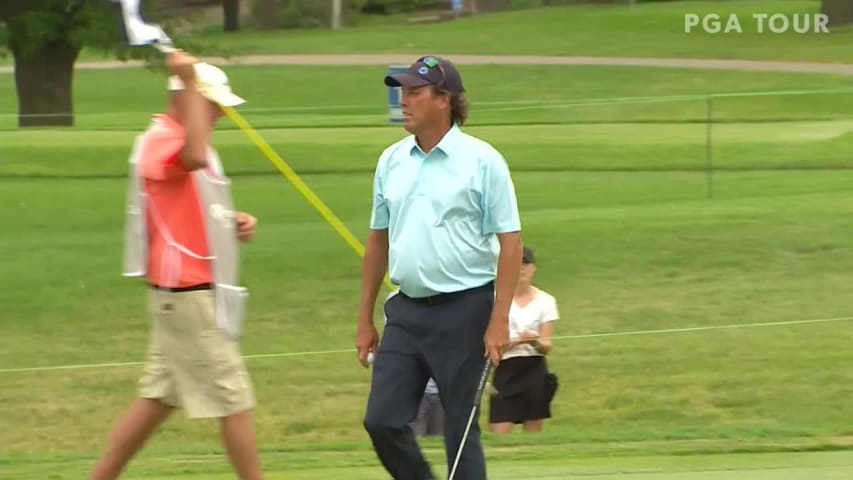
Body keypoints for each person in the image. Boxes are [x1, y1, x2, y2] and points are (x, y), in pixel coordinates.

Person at [91, 50, 264, 480]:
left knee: (157, 399)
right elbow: (191, 159)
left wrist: (232, 222)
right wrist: (189, 84)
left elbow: (189, 202)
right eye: (215, 104)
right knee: (235, 399)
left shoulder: (182, 138)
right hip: (185, 297)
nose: (222, 113)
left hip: (190, 293)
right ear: (189, 102)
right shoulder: (163, 141)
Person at [355, 55, 523, 480]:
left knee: (460, 433)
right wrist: (364, 319)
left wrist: (499, 319)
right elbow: (377, 240)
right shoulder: (391, 160)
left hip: (466, 311)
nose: (403, 101)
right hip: (406, 312)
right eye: (402, 92)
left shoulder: (483, 161)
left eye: (414, 92)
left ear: (444, 99)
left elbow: (510, 242)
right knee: (382, 420)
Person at [489, 246, 559, 434]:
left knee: (534, 431)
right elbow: (492, 344)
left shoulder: (546, 301)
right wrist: (519, 340)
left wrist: (535, 341)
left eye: (526, 264)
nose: (521, 269)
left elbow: (546, 346)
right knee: (499, 428)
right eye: (516, 264)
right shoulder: (496, 299)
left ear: (533, 267)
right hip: (505, 369)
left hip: (533, 369)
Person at [385, 289, 445, 438]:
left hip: (443, 391)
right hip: (414, 391)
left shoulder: (453, 296)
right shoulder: (395, 299)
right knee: (412, 442)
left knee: (440, 445)